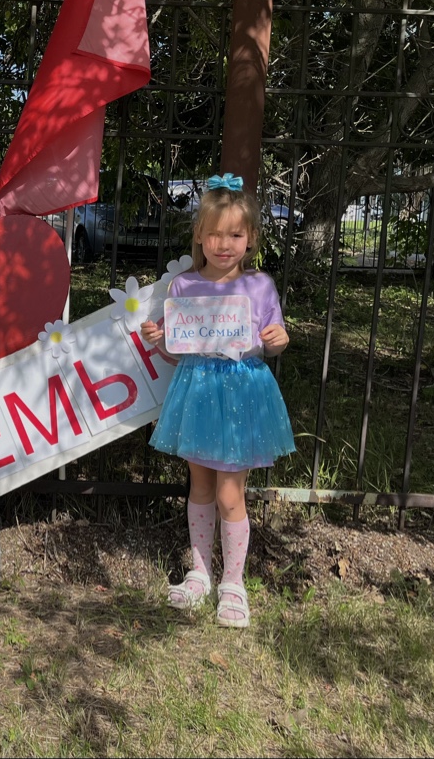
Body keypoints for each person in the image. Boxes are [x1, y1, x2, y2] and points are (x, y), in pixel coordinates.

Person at [140, 174, 295, 628]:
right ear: (199, 236)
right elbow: (179, 352)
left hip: (242, 396)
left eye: (235, 235)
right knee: (201, 487)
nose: (224, 244)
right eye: (214, 234)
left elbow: (273, 340)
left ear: (251, 239)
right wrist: (161, 339)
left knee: (230, 493)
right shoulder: (184, 287)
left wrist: (279, 339)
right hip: (199, 393)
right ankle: (200, 573)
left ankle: (233, 582)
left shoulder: (260, 286)